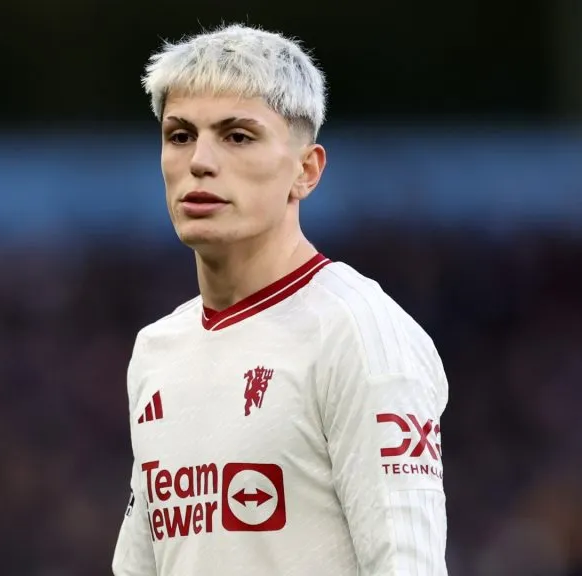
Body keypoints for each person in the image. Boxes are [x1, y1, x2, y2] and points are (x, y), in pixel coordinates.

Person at [111, 23, 449, 576]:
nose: (200, 161)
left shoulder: (358, 332)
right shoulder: (157, 351)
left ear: (306, 171)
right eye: (179, 135)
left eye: (237, 136)